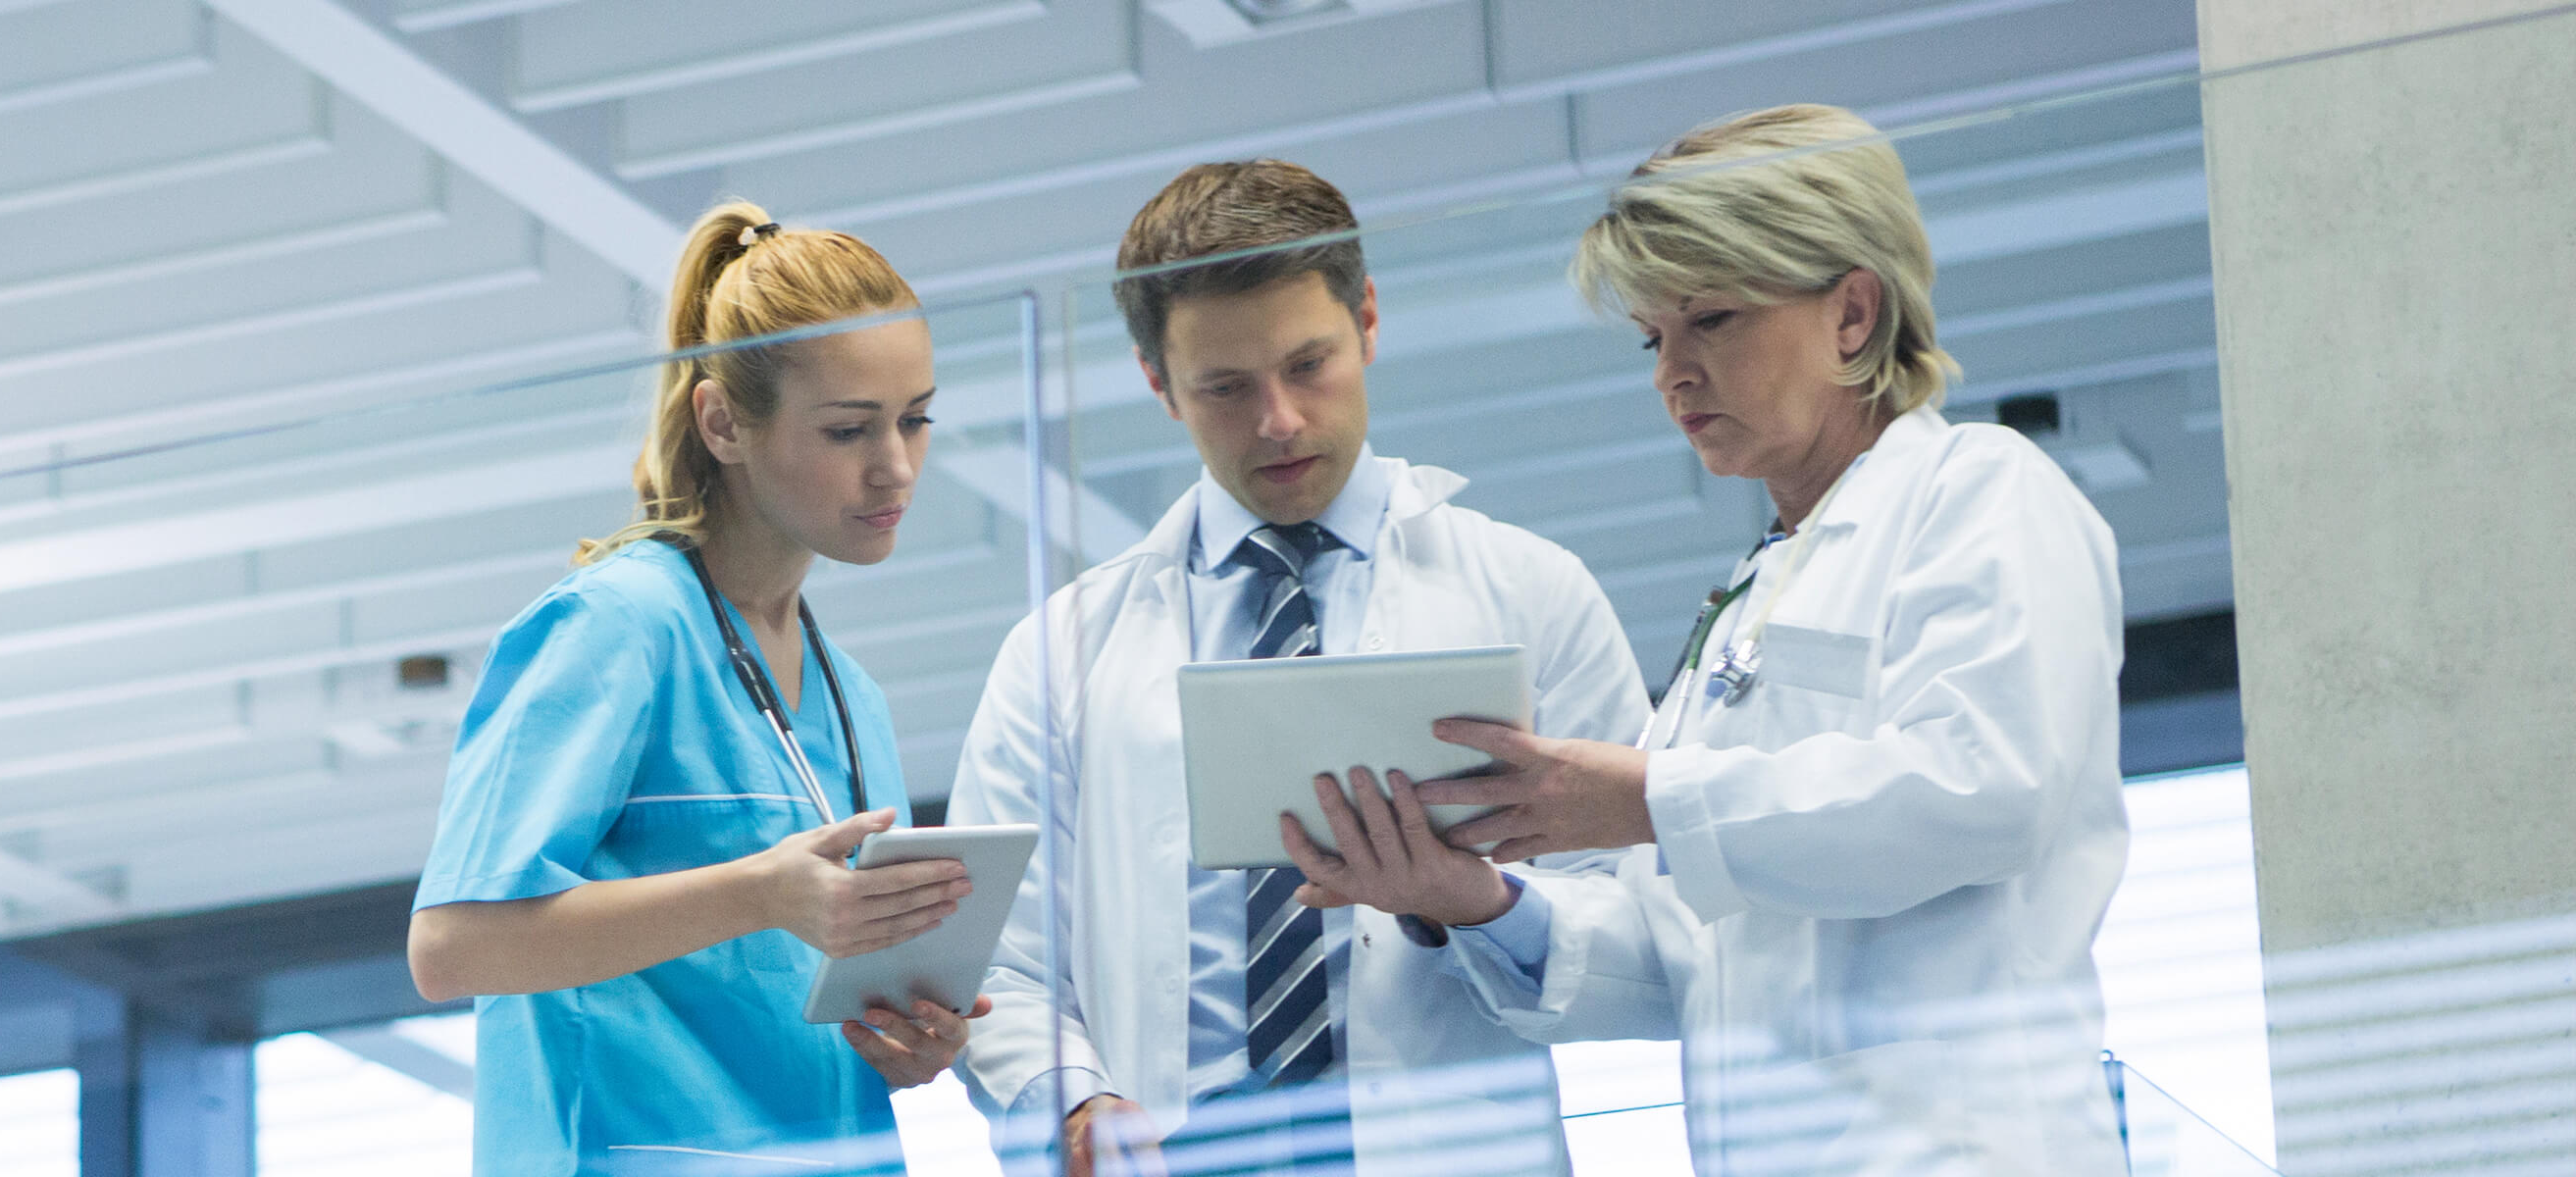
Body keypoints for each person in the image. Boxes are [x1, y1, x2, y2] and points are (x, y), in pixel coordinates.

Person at [1279, 105, 2131, 1175]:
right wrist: (1473, 902)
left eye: (1712, 320)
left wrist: (1646, 798)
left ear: (1853, 314)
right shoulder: (1751, 595)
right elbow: (1687, 961)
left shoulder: (1983, 493)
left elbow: (1984, 787)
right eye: (1654, 337)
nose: (1669, 374)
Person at [947, 161, 1653, 1176]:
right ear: (1157, 383)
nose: (1277, 420)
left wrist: (1480, 903)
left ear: (1367, 321)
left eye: (1308, 364)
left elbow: (1648, 933)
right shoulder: (1059, 651)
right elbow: (1001, 964)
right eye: (1225, 388)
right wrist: (1071, 1104)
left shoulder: (1532, 593)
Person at [407, 202, 987, 1175]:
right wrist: (761, 892)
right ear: (722, 421)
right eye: (850, 429)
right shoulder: (616, 627)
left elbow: (777, 1006)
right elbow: (453, 945)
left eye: (916, 420)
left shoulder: (855, 701)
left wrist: (906, 1044)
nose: (896, 466)